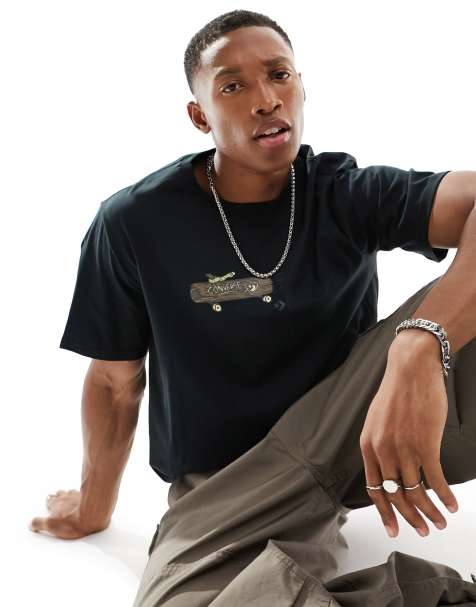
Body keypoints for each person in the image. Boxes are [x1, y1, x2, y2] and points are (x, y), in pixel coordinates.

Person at [29, 9, 476, 606]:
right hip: (228, 481)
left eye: (278, 75)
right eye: (233, 86)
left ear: (300, 87)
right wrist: (92, 507)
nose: (266, 100)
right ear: (199, 115)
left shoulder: (344, 194)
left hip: (347, 435)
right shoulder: (135, 222)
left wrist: (419, 345)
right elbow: (114, 383)